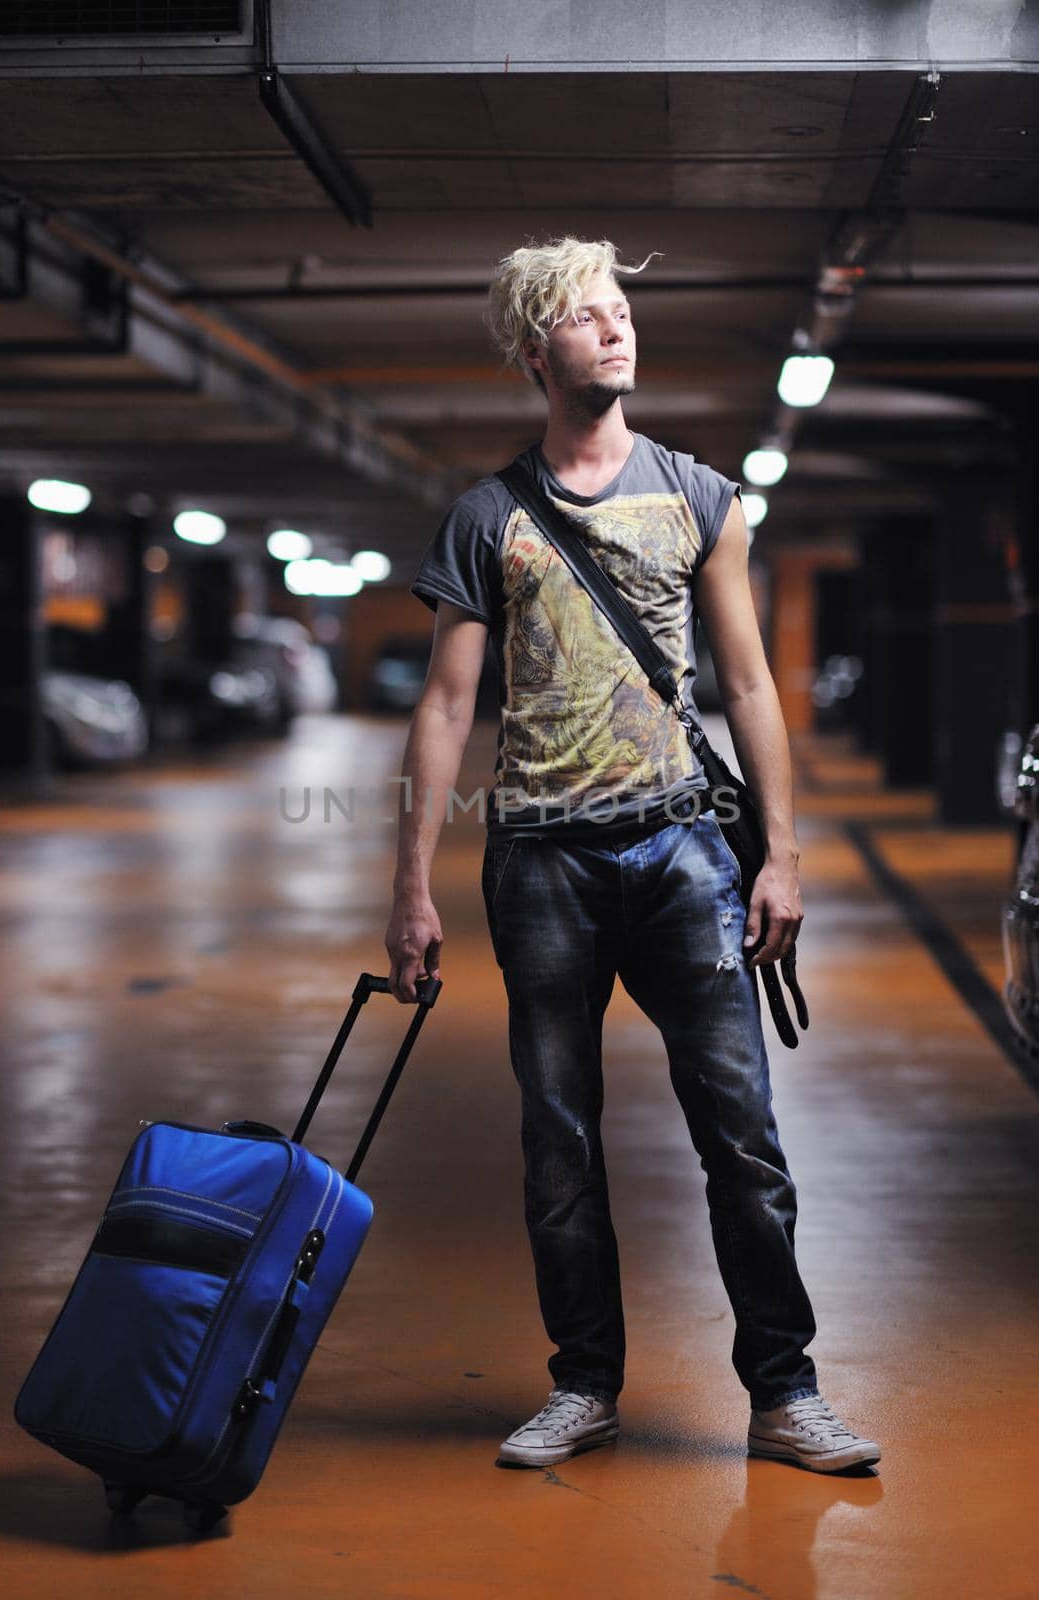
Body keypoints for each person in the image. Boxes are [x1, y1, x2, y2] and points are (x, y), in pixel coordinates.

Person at [384, 236, 879, 1475]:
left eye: (621, 311)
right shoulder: (485, 517)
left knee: (742, 1136)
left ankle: (783, 1393)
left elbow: (751, 682)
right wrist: (406, 890)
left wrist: (782, 858)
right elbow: (446, 708)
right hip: (540, 863)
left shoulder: (701, 497)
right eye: (586, 317)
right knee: (557, 1141)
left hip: (680, 855)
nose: (616, 330)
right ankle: (583, 1385)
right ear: (531, 349)